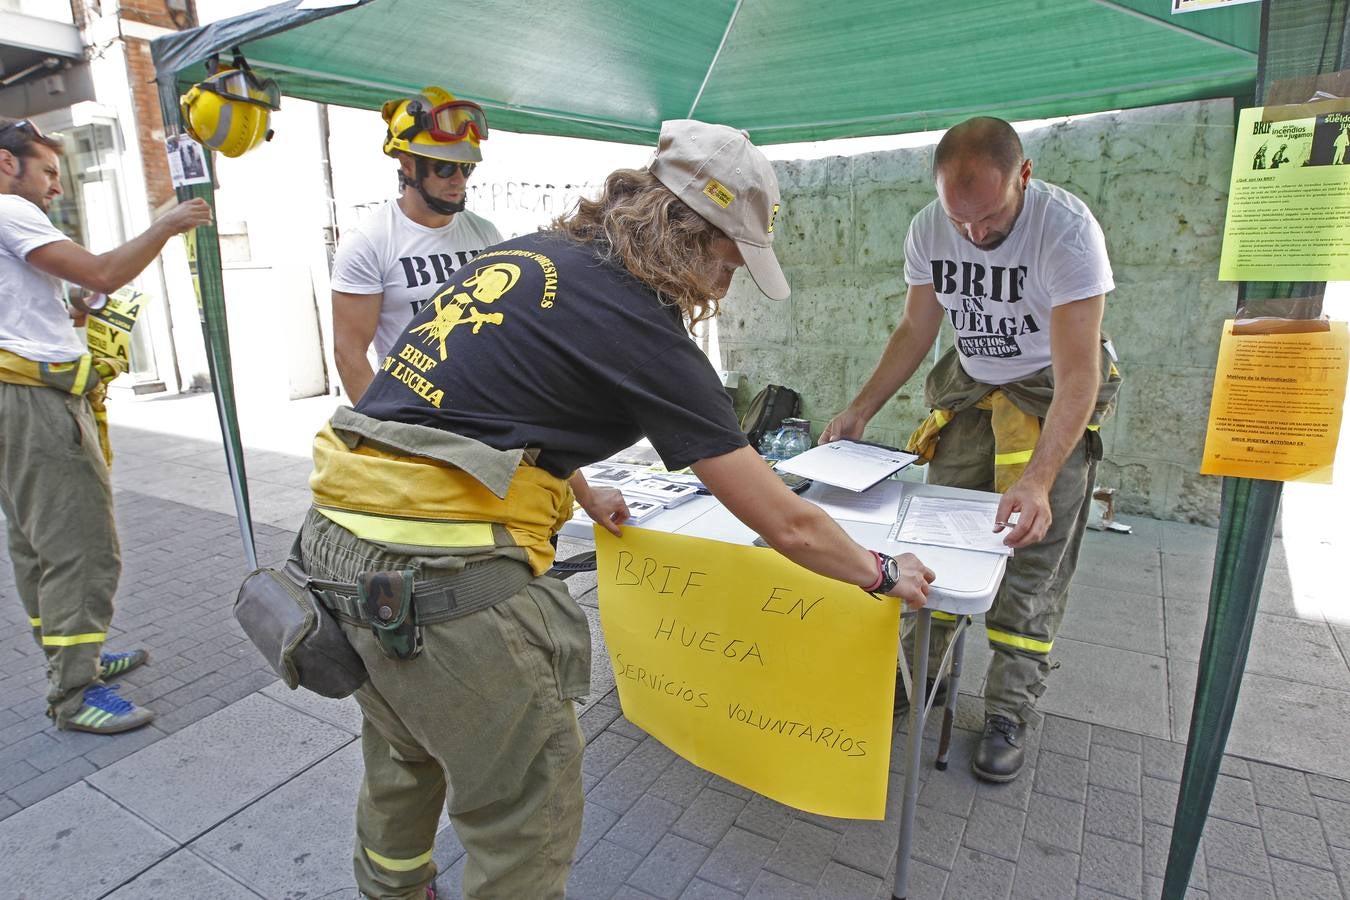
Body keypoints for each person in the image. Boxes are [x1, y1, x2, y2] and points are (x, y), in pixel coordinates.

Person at [300, 119, 936, 899]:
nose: (724, 286)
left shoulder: (526, 254)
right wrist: (880, 572)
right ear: (688, 234)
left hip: (333, 550)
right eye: (728, 261)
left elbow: (483, 407)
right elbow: (786, 521)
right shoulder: (641, 325)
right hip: (442, 586)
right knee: (525, 809)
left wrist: (583, 489)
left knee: (403, 748)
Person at [822, 116, 1121, 784]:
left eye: (988, 218)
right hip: (972, 394)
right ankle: (914, 678)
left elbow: (1080, 375)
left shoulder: (1068, 232)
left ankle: (1010, 708)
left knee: (1031, 558)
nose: (974, 234)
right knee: (938, 541)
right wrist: (858, 410)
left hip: (1050, 400)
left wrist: (1040, 480)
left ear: (1024, 177)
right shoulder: (932, 225)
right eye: (961, 221)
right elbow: (915, 328)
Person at [0, 117, 212, 733]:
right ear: (7, 164)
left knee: (34, 545)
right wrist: (168, 222)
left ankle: (73, 654)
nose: (53, 189)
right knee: (82, 548)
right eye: (45, 172)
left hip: (14, 399)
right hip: (36, 406)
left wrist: (75, 308)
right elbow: (104, 271)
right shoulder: (10, 210)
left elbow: (44, 300)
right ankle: (75, 693)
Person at [330, 86, 503, 403]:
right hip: (414, 414)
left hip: (487, 410)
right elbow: (349, 353)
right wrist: (385, 434)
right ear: (408, 164)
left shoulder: (486, 234)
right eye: (446, 167)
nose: (459, 180)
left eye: (467, 168)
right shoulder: (369, 243)